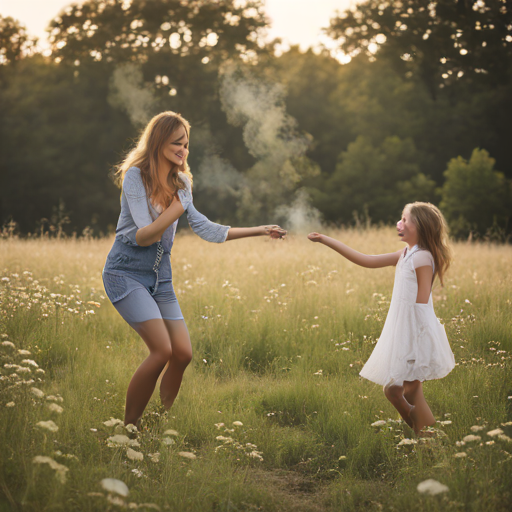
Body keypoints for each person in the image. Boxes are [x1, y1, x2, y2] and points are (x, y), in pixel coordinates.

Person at [102, 111, 286, 428]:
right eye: (177, 143)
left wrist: (259, 229)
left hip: (161, 279)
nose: (183, 151)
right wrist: (175, 209)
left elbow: (206, 228)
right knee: (161, 351)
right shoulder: (136, 177)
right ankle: (129, 430)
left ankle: (160, 423)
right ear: (158, 141)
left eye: (186, 145)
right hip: (125, 273)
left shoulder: (182, 182)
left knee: (183, 354)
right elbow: (145, 235)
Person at [308, 202, 455, 435]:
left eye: (405, 220)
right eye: (401, 218)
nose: (399, 223)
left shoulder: (423, 258)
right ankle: (425, 436)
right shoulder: (406, 254)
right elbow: (365, 260)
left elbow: (422, 302)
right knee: (394, 391)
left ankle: (431, 441)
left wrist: (417, 343)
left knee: (410, 390)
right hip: (403, 330)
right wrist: (325, 240)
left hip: (415, 332)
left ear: (421, 226)